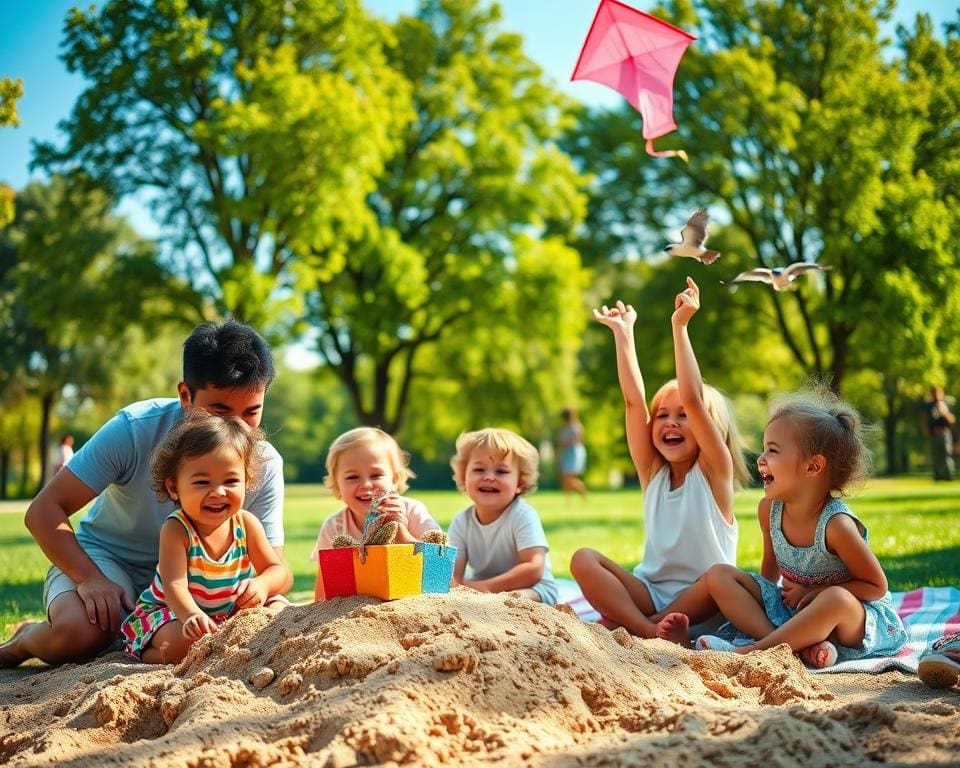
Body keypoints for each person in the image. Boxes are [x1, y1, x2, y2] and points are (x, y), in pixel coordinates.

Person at [0, 320, 291, 668]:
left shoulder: (263, 462)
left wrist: (260, 585)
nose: (237, 429)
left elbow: (274, 567)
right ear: (185, 395)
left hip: (202, 584)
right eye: (219, 411)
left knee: (276, 618)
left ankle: (128, 641)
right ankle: (25, 642)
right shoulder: (134, 428)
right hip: (111, 564)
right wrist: (89, 578)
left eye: (251, 412)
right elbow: (43, 511)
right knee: (78, 634)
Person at [667, 388, 907, 669]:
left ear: (812, 466)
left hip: (851, 621)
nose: (761, 458)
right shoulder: (769, 510)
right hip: (796, 612)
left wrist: (816, 592)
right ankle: (794, 645)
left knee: (836, 599)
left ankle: (755, 650)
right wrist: (760, 600)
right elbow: (768, 578)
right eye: (764, 448)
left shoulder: (836, 525)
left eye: (773, 450)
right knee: (720, 574)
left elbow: (876, 586)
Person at [569, 277, 748, 638]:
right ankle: (649, 632)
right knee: (582, 559)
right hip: (649, 595)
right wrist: (623, 335)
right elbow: (634, 402)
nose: (671, 422)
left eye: (683, 416)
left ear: (708, 427)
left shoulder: (714, 471)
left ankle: (631, 627)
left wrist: (679, 326)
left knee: (714, 579)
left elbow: (695, 400)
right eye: (663, 415)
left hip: (704, 598)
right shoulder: (653, 472)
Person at [121, 410, 287, 663]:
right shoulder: (177, 529)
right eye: (201, 483)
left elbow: (278, 570)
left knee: (280, 611)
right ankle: (147, 653)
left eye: (231, 480)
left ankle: (227, 648)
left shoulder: (246, 524)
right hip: (173, 612)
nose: (218, 492)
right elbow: (174, 585)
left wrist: (262, 585)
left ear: (247, 481)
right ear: (174, 487)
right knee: (187, 643)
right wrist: (190, 616)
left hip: (227, 615)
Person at [312, 427, 441, 600]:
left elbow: (439, 572)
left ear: (394, 479)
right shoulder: (335, 527)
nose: (365, 484)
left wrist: (402, 533)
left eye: (376, 475)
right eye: (352, 477)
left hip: (414, 603)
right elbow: (323, 593)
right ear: (337, 484)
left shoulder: (413, 511)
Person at [448, 427, 558, 604]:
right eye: (479, 470)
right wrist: (459, 587)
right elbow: (453, 575)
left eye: (501, 471)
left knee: (518, 599)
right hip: (481, 590)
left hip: (533, 587)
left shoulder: (522, 515)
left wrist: (487, 588)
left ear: (519, 483)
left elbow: (534, 568)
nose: (489, 477)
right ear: (463, 477)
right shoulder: (461, 522)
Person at [922, 386, 955, 481]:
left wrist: (944, 412)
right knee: (936, 455)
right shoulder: (928, 406)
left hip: (944, 433)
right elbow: (924, 418)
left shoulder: (946, 404)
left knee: (946, 454)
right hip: (934, 433)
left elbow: (952, 420)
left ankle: (948, 476)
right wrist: (926, 430)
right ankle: (937, 476)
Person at [556, 407, 588, 501]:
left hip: (574, 453)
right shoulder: (565, 427)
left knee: (570, 478)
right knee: (565, 478)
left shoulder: (576, 426)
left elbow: (578, 439)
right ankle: (568, 499)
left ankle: (583, 491)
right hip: (567, 453)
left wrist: (565, 442)